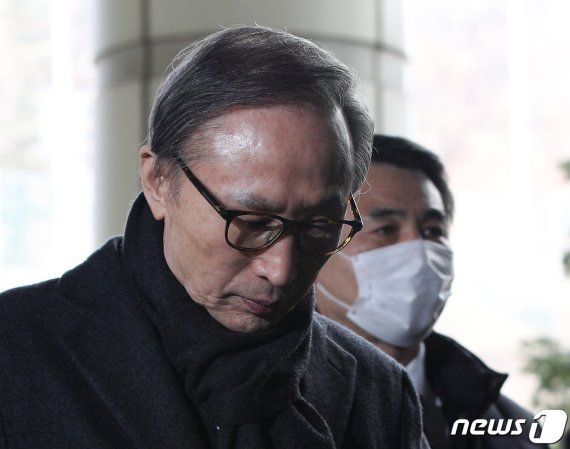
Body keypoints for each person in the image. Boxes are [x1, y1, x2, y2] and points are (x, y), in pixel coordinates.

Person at [0, 27, 429, 449]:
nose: (281, 271)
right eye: (252, 222)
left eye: (319, 225)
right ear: (158, 181)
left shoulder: (380, 392)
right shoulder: (14, 350)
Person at [316, 134, 549, 449]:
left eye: (432, 231)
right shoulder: (269, 414)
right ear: (317, 245)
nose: (419, 252)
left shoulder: (515, 431)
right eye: (386, 229)